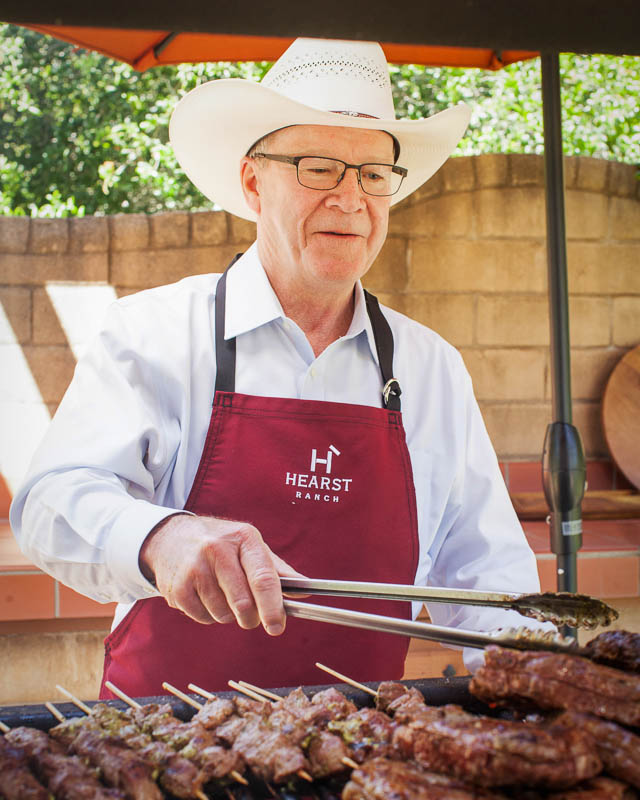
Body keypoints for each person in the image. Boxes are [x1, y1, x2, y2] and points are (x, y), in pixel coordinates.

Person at [11, 37, 547, 698]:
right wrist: (160, 537)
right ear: (252, 183)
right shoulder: (153, 333)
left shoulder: (430, 368)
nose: (352, 199)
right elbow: (50, 503)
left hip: (361, 762)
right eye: (319, 167)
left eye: (374, 174)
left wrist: (543, 677)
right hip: (163, 751)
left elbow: (488, 572)